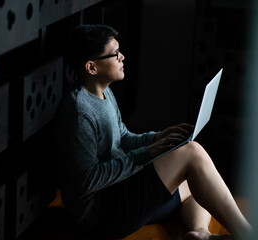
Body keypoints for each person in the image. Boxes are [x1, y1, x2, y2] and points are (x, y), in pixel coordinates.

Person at [54, 24, 251, 240]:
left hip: (118, 193)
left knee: (198, 183)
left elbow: (123, 138)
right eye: (115, 54)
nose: (122, 57)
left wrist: (160, 137)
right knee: (192, 154)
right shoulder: (78, 112)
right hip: (101, 215)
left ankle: (201, 234)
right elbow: (87, 180)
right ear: (92, 67)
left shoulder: (104, 92)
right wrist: (147, 154)